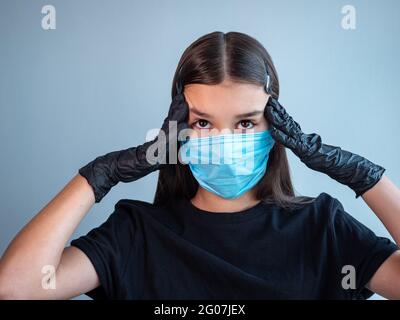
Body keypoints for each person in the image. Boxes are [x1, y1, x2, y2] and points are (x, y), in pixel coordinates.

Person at [0, 31, 399, 300]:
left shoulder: (323, 228)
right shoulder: (136, 234)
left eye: (245, 123)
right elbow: (15, 287)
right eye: (203, 123)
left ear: (276, 127)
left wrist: (361, 174)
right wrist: (103, 173)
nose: (225, 143)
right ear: (175, 129)